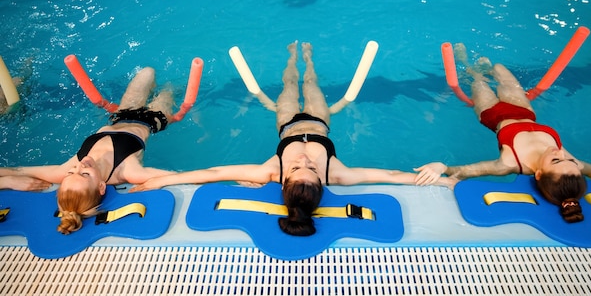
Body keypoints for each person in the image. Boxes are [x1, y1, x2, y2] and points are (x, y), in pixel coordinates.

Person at [131, 42, 418, 236]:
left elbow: (213, 173)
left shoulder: (270, 171)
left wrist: (161, 180)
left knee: (291, 85)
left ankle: (298, 56)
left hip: (287, 121)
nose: (305, 160)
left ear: (283, 180)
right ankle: (301, 55)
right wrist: (445, 180)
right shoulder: (338, 174)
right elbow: (393, 175)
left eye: (296, 168)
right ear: (322, 180)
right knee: (308, 82)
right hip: (319, 120)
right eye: (313, 169)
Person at [414, 44, 591, 223]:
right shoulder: (573, 167)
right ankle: (484, 67)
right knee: (498, 68)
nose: (559, 152)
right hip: (523, 109)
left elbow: (464, 171)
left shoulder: (509, 162)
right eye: (568, 157)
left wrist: (442, 166)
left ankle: (466, 62)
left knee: (477, 79)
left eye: (555, 160)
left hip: (492, 114)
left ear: (539, 174)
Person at [0, 66, 176, 234]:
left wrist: (9, 179)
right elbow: (179, 177)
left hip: (122, 114)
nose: (80, 166)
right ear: (101, 187)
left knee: (147, 72)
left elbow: (18, 170)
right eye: (85, 174)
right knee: (169, 88)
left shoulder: (67, 168)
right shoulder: (127, 171)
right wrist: (158, 181)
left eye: (72, 172)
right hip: (153, 120)